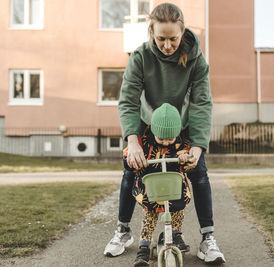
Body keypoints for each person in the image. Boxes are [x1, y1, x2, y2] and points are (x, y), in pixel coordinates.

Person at [104, 2, 226, 264]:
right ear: (152, 32)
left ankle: (208, 238)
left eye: (173, 38)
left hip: (181, 126)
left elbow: (202, 102)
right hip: (147, 126)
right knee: (131, 167)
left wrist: (197, 146)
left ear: (182, 33)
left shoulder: (196, 60)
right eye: (161, 38)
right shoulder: (140, 57)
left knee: (198, 171)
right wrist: (133, 141)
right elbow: (128, 101)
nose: (167, 45)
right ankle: (123, 231)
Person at [123, 104, 192, 267]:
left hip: (173, 187)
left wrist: (185, 158)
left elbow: (187, 159)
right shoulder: (143, 142)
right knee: (149, 216)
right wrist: (132, 160)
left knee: (177, 210)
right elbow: (128, 156)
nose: (167, 142)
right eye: (162, 139)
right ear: (154, 131)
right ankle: (144, 249)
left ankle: (176, 235)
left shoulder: (180, 145)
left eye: (171, 139)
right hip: (151, 189)